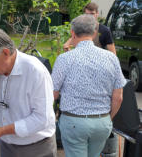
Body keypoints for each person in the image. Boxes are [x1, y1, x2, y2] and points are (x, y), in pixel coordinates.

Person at [0, 28, 57, 157]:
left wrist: (2, 130)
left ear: (6, 53)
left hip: (36, 147)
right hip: (7, 144)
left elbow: (42, 118)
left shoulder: (35, 71)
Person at [51, 14, 126, 157]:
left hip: (74, 123)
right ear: (95, 33)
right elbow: (118, 97)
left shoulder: (64, 59)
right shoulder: (111, 58)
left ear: (72, 33)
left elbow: (53, 94)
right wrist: (107, 119)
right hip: (101, 122)